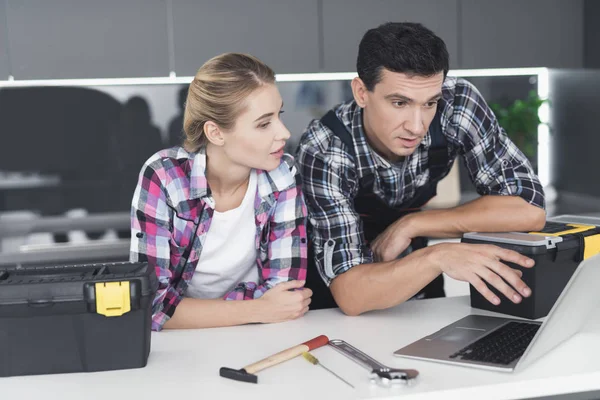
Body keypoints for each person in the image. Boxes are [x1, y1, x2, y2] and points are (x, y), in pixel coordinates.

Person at [295, 22, 546, 316]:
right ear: (362, 92)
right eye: (400, 102)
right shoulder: (326, 150)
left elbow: (529, 209)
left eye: (429, 103)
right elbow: (352, 296)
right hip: (338, 301)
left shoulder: (457, 104)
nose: (417, 126)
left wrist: (412, 225)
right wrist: (438, 256)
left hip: (417, 277)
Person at [130, 53, 311, 331]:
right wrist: (259, 308)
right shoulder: (164, 177)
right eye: (264, 123)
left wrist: (188, 312)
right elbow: (151, 306)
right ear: (215, 133)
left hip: (258, 334)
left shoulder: (282, 173)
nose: (284, 133)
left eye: (279, 116)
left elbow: (287, 297)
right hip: (180, 348)